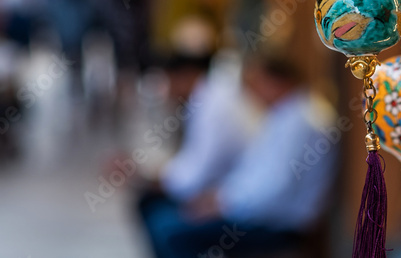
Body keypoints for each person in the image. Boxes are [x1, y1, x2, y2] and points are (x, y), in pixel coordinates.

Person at [139, 57, 338, 258]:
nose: (254, 92)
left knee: (170, 232)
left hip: (277, 223)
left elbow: (273, 189)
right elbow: (256, 175)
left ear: (277, 82)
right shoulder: (286, 115)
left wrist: (222, 204)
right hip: (257, 212)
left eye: (259, 83)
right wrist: (218, 197)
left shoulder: (301, 123)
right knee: (163, 219)